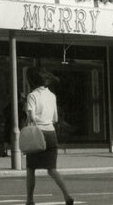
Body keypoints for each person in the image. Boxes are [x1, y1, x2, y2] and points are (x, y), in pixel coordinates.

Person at [24, 69, 74, 205]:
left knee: (31, 168)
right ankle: (67, 195)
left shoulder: (32, 96)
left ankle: (30, 199)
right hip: (51, 134)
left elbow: (31, 117)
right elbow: (55, 119)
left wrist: (27, 111)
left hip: (37, 134)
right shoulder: (52, 96)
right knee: (52, 169)